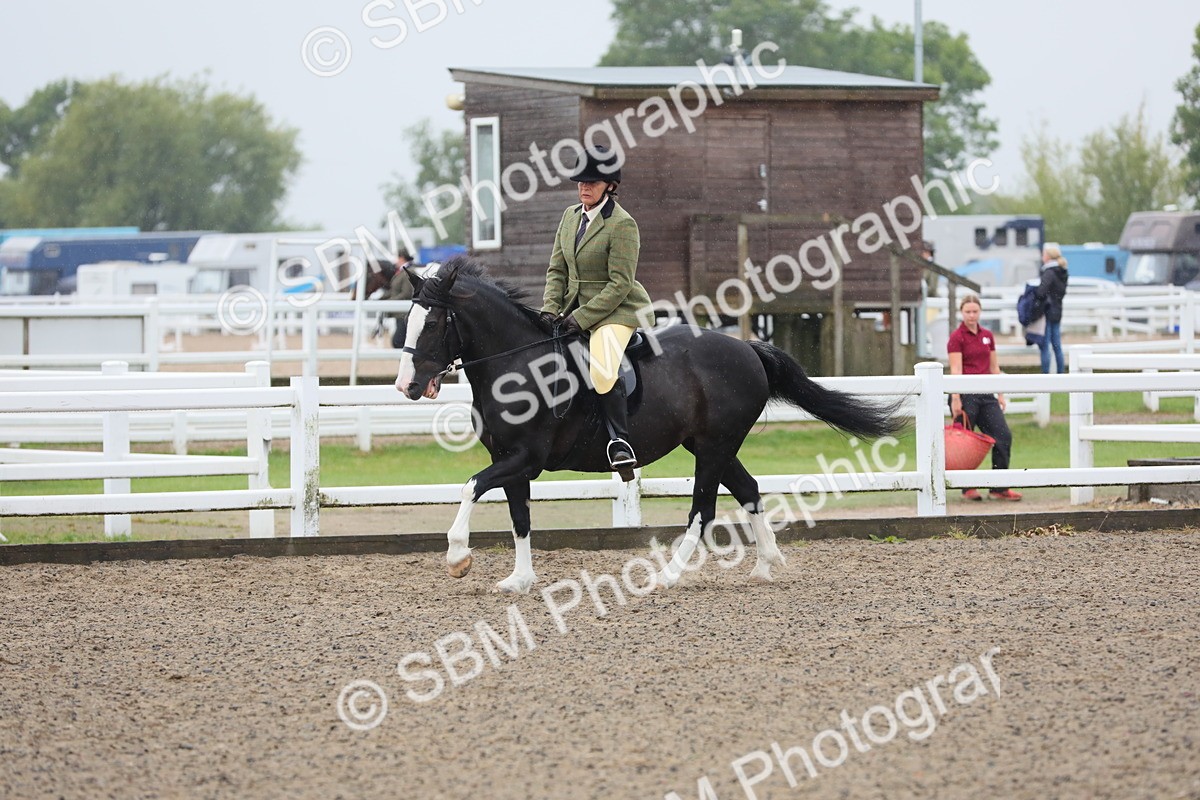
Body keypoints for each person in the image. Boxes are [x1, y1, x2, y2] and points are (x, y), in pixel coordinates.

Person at [541, 146, 652, 476]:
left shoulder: (622, 225)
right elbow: (556, 270)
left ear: (610, 186)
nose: (584, 187)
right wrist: (549, 309)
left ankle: (620, 442)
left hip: (618, 311)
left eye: (592, 181)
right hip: (573, 307)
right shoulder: (570, 217)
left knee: (603, 366)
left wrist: (581, 317)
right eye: (580, 181)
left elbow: (619, 284)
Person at [947, 293, 1021, 501]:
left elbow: (994, 366)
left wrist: (1000, 393)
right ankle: (967, 487)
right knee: (966, 443)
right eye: (967, 311)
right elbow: (956, 369)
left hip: (987, 394)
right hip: (966, 394)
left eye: (975, 311)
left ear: (980, 312)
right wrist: (955, 398)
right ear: (961, 313)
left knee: (1003, 436)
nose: (971, 315)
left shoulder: (987, 335)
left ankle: (999, 487)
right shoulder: (956, 337)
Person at [1036, 243, 1069, 374]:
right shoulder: (1062, 272)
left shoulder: (1049, 272)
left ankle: (1046, 375)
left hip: (1047, 311)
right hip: (1057, 310)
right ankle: (1060, 374)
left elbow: (1041, 292)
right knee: (1057, 345)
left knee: (1045, 346)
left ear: (1048, 256)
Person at [376, 249, 415, 349]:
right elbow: (394, 290)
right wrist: (381, 299)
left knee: (398, 341)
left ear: (401, 258)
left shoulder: (408, 272)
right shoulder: (401, 272)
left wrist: (389, 302)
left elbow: (406, 294)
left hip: (404, 314)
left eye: (397, 258)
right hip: (399, 314)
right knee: (399, 341)